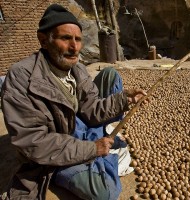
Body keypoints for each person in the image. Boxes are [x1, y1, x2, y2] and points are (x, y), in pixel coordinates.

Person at [1, 4, 147, 200]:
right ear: (44, 41)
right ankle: (102, 152)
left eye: (78, 39)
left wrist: (124, 100)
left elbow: (91, 109)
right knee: (104, 193)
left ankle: (99, 147)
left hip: (77, 129)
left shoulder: (76, 69)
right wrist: (92, 149)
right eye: (65, 38)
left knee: (110, 74)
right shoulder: (21, 78)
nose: (74, 47)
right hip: (53, 155)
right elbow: (34, 143)